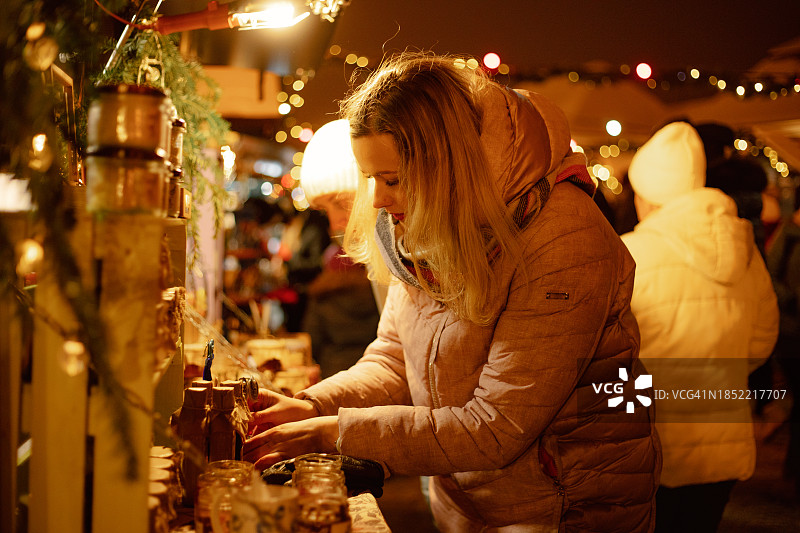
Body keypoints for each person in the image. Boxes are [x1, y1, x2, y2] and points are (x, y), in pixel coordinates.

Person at [244, 52, 661, 532]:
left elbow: (495, 427)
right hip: (470, 502)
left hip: (562, 507)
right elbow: (393, 358)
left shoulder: (565, 240)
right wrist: (314, 404)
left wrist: (334, 432)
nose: (377, 199)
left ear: (447, 165)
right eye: (370, 179)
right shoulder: (427, 220)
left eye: (392, 179)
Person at [620, 121, 779, 532]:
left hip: (653, 447)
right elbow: (761, 342)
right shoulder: (743, 248)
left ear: (648, 196)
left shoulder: (629, 255)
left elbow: (609, 354)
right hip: (723, 445)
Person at [299, 119, 382, 378]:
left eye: (342, 202)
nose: (336, 222)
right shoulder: (380, 265)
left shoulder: (402, 266)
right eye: (326, 210)